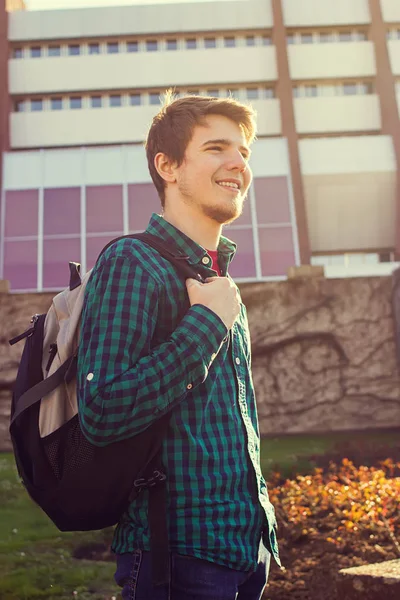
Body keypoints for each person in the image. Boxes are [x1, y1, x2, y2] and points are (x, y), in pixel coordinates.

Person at [77, 92, 280, 600]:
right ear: (166, 166)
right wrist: (206, 324)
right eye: (216, 148)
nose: (238, 163)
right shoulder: (133, 262)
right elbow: (102, 410)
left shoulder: (218, 279)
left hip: (246, 551)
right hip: (176, 555)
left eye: (244, 152)